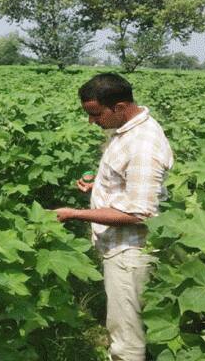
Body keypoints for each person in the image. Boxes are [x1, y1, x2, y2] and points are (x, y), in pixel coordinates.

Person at [53, 73, 173, 361]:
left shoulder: (143, 145)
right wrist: (102, 184)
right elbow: (132, 184)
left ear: (119, 107)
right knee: (128, 322)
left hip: (129, 250)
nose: (92, 122)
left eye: (95, 114)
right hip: (118, 245)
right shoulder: (128, 130)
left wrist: (75, 214)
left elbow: (139, 212)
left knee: (126, 335)